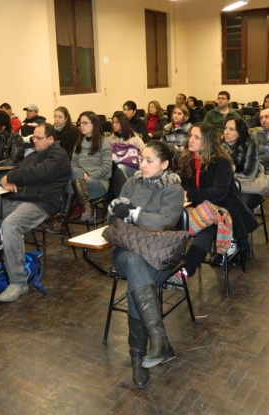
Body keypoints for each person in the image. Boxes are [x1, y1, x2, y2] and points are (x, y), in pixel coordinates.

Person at [110, 140, 184, 389]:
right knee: (132, 262)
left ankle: (137, 355)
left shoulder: (173, 189)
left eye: (149, 160)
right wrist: (122, 212)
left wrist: (133, 213)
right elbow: (114, 215)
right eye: (141, 158)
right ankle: (157, 340)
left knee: (136, 275)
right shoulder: (131, 182)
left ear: (164, 164)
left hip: (158, 253)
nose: (141, 164)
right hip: (126, 249)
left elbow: (165, 220)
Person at [0, 123, 71, 302]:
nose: (34, 141)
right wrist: (6, 180)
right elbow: (18, 170)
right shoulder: (32, 155)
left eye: (39, 138)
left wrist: (11, 176)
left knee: (11, 225)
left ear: (51, 139)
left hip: (42, 202)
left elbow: (39, 173)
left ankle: (18, 282)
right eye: (33, 137)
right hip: (19, 199)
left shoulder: (59, 155)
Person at [176, 123, 258, 278]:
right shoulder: (186, 159)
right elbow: (183, 187)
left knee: (206, 216)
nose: (191, 140)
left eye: (197, 137)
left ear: (207, 141)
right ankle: (186, 268)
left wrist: (191, 195)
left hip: (225, 209)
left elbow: (218, 193)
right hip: (200, 211)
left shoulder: (221, 162)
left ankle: (179, 259)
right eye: (190, 136)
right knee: (206, 226)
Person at [50, 111, 112, 234]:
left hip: (98, 183)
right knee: (75, 172)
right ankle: (86, 206)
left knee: (69, 183)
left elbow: (107, 167)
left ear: (94, 124)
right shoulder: (79, 142)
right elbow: (73, 164)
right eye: (80, 123)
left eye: (85, 123)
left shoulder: (103, 141)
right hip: (80, 183)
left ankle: (63, 220)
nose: (81, 126)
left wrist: (89, 176)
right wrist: (81, 176)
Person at [221, 118, 258, 207]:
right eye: (225, 128)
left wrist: (229, 172)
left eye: (231, 129)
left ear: (240, 132)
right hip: (224, 185)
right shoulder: (219, 145)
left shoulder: (249, 144)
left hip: (245, 185)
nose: (226, 132)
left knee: (236, 206)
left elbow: (250, 172)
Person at [108, 113, 145, 179]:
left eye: (117, 122)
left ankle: (126, 188)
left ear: (123, 123)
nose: (114, 125)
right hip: (116, 167)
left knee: (120, 168)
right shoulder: (110, 139)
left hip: (133, 167)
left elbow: (144, 152)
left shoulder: (134, 138)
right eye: (113, 122)